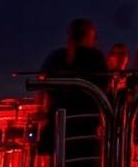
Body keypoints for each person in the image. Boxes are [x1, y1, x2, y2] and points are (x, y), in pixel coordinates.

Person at [37, 18, 108, 166]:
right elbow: (104, 90)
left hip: (59, 123)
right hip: (86, 125)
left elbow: (43, 85)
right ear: (90, 35)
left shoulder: (56, 57)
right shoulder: (96, 58)